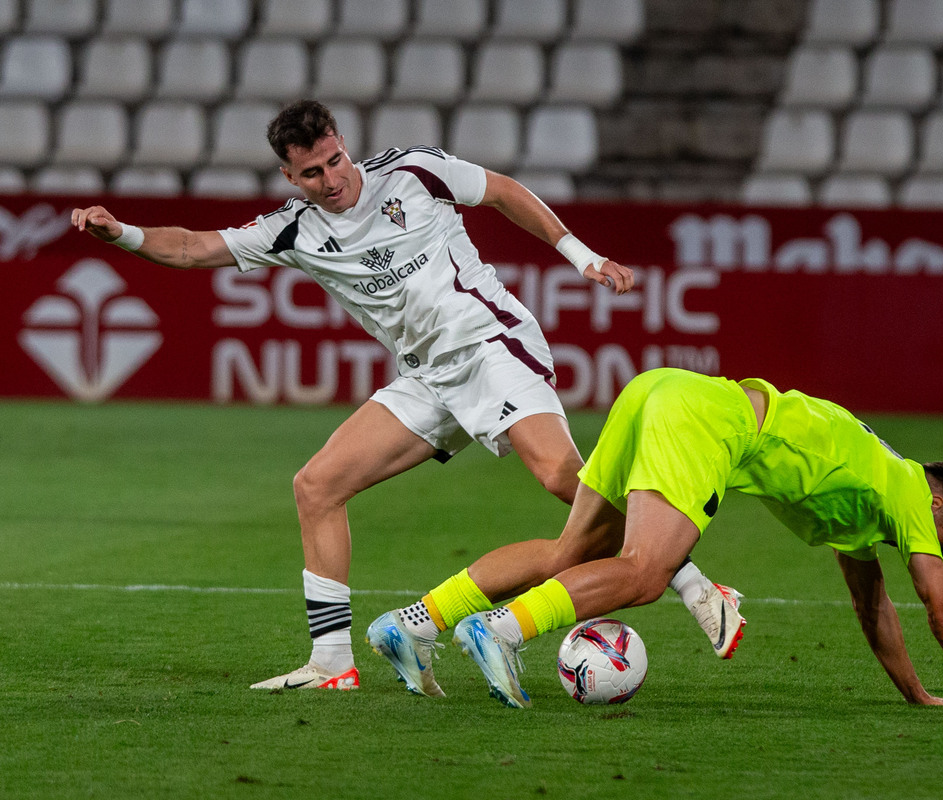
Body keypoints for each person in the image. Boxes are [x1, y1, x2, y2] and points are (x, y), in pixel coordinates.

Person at [70, 100, 744, 692]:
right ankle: (331, 660)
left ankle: (695, 586)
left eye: (334, 161)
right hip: (429, 377)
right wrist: (121, 234)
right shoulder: (293, 230)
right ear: (288, 176)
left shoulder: (413, 172)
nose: (330, 181)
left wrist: (581, 255)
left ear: (342, 140)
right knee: (317, 485)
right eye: (311, 173)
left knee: (564, 478)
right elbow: (190, 248)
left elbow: (503, 192)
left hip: (489, 345)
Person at [381, 367, 943, 710]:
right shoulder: (906, 488)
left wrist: (919, 696)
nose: (921, 546)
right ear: (936, 502)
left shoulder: (863, 504)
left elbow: (875, 611)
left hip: (659, 391)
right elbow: (942, 606)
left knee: (568, 552)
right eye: (935, 534)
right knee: (643, 572)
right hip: (709, 420)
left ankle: (416, 623)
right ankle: (499, 633)